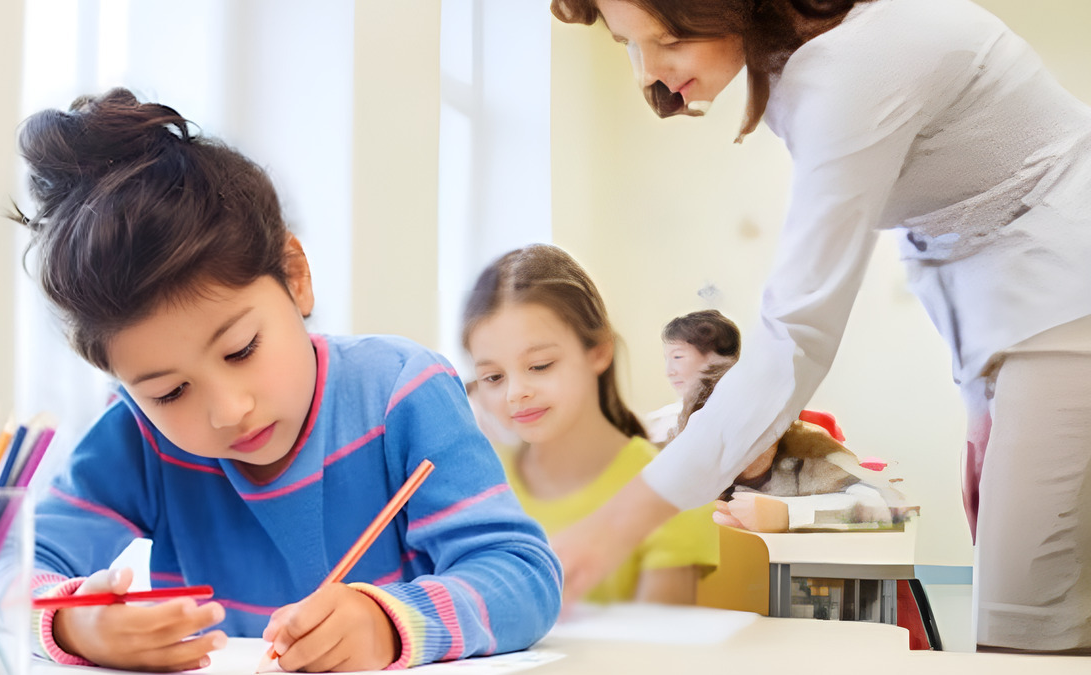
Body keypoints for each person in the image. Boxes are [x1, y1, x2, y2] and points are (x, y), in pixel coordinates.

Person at [549, 0, 1091, 653]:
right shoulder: (797, 68)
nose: (649, 73)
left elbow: (795, 338)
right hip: (1034, 309)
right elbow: (959, 234)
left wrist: (613, 527)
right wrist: (983, 405)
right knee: (1026, 592)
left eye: (665, 39)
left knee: (1023, 622)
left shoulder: (852, 65)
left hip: (1066, 298)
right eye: (628, 44)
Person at [10, 88, 561, 672]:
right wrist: (72, 619)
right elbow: (0, 570)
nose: (228, 409)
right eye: (168, 392)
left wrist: (387, 622)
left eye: (241, 350)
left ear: (295, 275)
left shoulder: (400, 392)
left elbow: (521, 575)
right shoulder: (137, 439)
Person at [462, 243, 719, 605]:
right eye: (492, 377)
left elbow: (657, 656)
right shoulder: (474, 489)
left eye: (539, 366)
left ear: (598, 351)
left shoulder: (671, 490)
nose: (515, 393)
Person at [645, 310, 740, 445]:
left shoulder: (741, 419)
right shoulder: (660, 423)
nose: (669, 372)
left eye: (678, 357)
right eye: (667, 359)